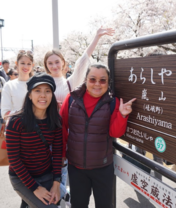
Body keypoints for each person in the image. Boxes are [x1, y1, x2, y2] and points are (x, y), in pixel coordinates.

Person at [44, 27, 115, 207]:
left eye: (57, 62)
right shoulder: (41, 85)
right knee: (48, 188)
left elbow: (84, 61)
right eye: (50, 63)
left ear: (64, 64)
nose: (54, 66)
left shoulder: (70, 84)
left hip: (67, 144)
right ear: (45, 66)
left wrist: (96, 37)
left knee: (67, 188)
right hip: (45, 139)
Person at [60, 64, 136, 208]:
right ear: (86, 80)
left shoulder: (113, 102)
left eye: (103, 80)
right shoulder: (71, 99)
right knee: (78, 205)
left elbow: (115, 133)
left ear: (108, 83)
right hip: (76, 167)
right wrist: (62, 154)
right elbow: (62, 128)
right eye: (92, 79)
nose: (97, 84)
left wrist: (122, 115)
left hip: (102, 167)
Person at [6, 73, 62, 208]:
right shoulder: (16, 121)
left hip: (46, 173)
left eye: (47, 91)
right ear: (30, 95)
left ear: (52, 96)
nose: (43, 95)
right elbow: (14, 158)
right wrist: (35, 188)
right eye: (37, 90)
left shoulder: (55, 120)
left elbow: (57, 152)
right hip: (21, 178)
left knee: (57, 201)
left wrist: (56, 183)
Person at [1, 51, 34, 119]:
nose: (26, 66)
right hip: (15, 127)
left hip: (36, 127)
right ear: (17, 64)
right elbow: (5, 113)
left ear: (32, 65)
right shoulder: (9, 86)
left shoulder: (37, 85)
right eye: (22, 63)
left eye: (29, 64)